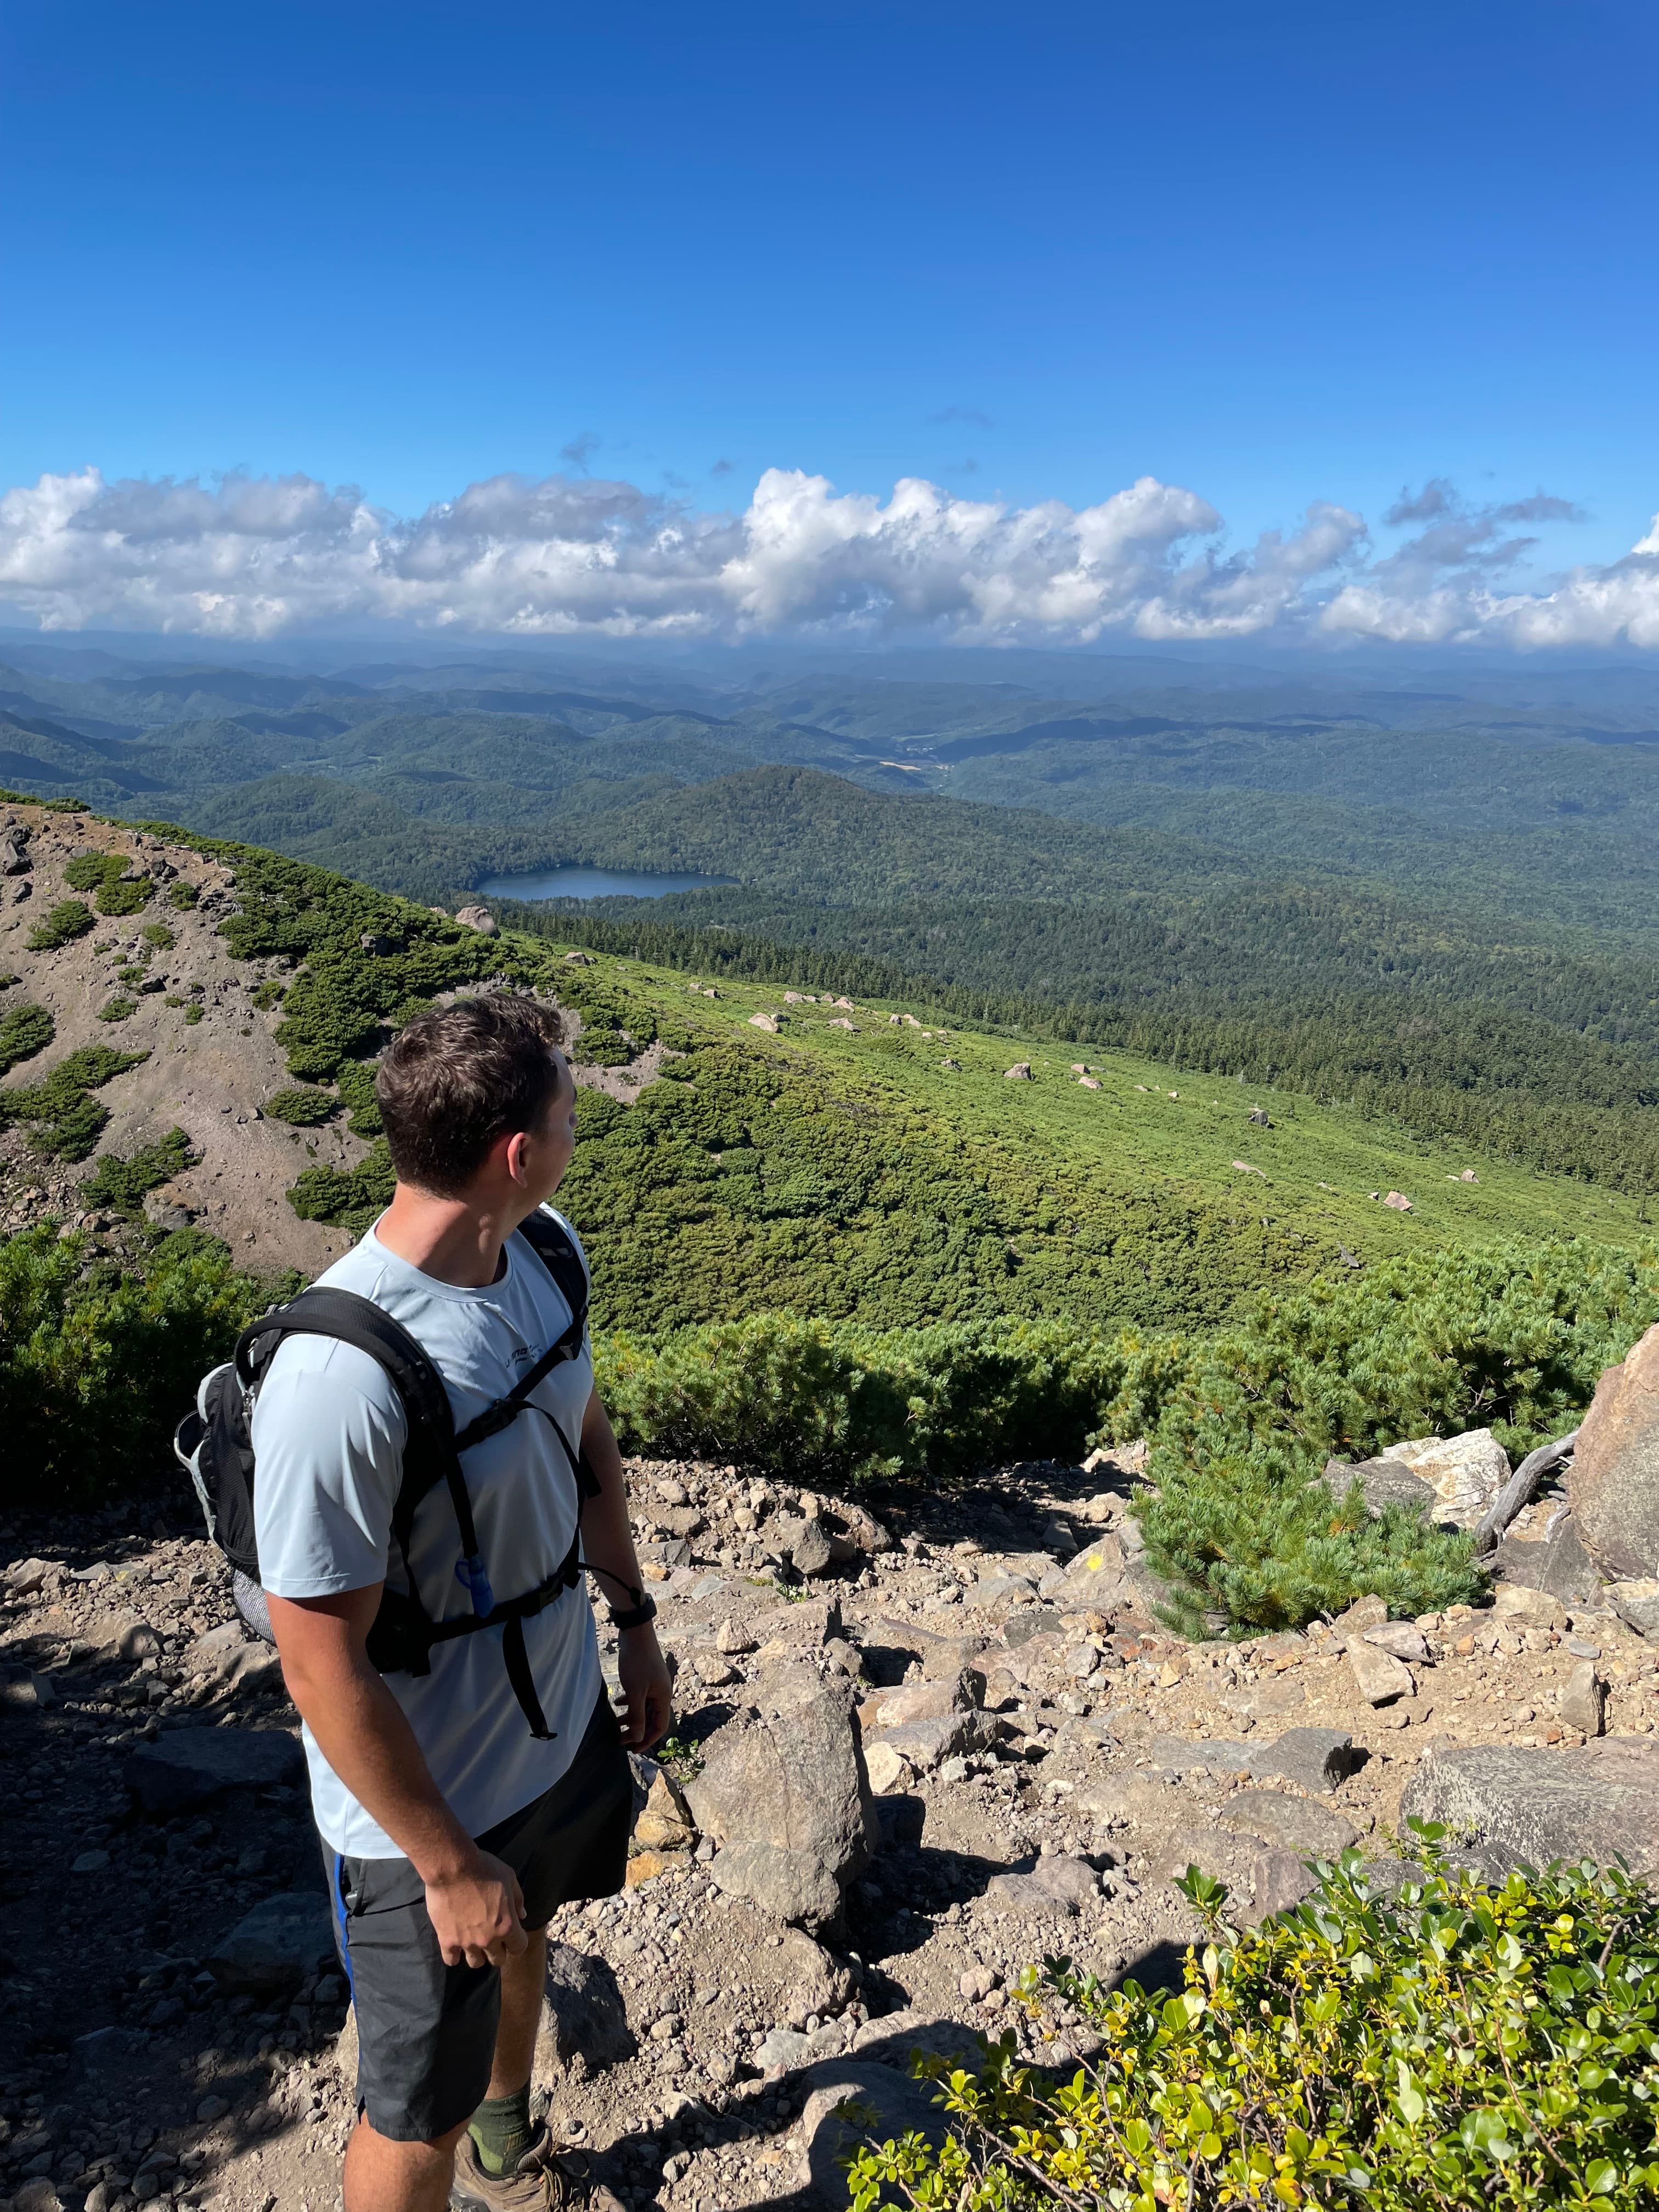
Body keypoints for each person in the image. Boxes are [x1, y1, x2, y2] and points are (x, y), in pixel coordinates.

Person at [252, 993, 672, 2212]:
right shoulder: (340, 1378)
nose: (578, 1127)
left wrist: (634, 1626)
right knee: (409, 2113)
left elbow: (580, 1427)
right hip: (418, 1818)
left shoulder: (545, 1251)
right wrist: (443, 1864)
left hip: (550, 1730)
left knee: (528, 1935)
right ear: (516, 1151)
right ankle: (465, 2135)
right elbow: (319, 1661)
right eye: (568, 1110)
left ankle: (509, 2135)